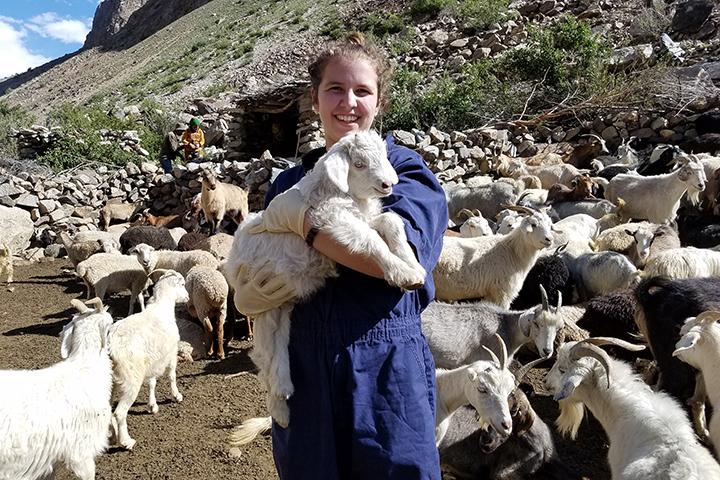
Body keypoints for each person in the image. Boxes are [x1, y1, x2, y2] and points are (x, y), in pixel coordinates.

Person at [233, 32, 448, 479]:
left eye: (362, 91)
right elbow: (266, 255)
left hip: (385, 364)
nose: (348, 102)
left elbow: (397, 265)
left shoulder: (404, 172)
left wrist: (306, 224)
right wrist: (246, 294)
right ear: (315, 100)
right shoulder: (290, 181)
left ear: (379, 102)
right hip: (305, 365)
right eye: (335, 89)